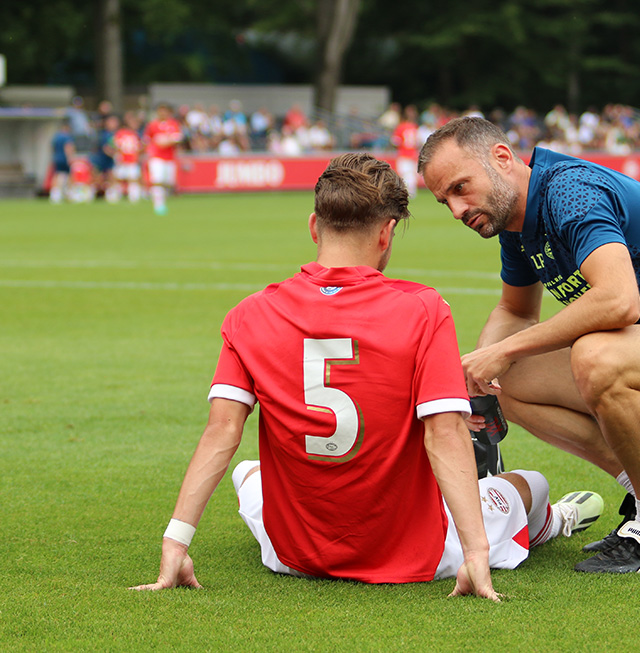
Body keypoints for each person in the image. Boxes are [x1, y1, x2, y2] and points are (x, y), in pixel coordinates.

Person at [130, 153, 603, 598]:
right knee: (530, 485)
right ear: (386, 233)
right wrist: (476, 553)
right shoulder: (422, 309)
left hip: (292, 554)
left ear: (315, 225)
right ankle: (553, 521)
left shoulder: (249, 314)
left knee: (247, 472)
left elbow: (221, 432)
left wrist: (176, 542)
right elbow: (443, 435)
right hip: (415, 553)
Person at [418, 117, 640, 574]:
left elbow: (619, 299)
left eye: (460, 187)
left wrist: (505, 351)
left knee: (594, 354)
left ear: (502, 159)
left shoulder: (569, 190)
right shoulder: (516, 224)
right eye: (444, 199)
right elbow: (515, 312)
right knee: (507, 380)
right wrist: (477, 380)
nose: (455, 209)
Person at [143, 103, 183, 215]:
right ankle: (159, 205)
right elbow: (147, 140)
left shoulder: (173, 124)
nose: (162, 113)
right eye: (161, 111)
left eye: (165, 111)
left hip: (169, 157)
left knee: (168, 182)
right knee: (157, 180)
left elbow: (178, 138)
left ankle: (162, 200)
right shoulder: (152, 125)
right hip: (156, 157)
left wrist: (167, 141)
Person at [113, 112, 144, 203]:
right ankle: (115, 195)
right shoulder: (120, 133)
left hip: (132, 160)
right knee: (118, 178)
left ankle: (134, 196)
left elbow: (139, 147)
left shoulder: (136, 134)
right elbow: (116, 146)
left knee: (133, 178)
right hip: (123, 159)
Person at [391, 105, 420, 198]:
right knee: (411, 174)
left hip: (403, 153)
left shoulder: (401, 127)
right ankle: (412, 192)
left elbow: (395, 141)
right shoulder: (415, 127)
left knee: (403, 174)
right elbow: (418, 142)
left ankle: (405, 192)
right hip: (413, 153)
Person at [50, 119, 75, 204]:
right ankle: (69, 193)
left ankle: (55, 194)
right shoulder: (67, 137)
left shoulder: (56, 137)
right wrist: (70, 158)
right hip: (64, 158)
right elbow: (68, 147)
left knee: (57, 174)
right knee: (69, 175)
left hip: (57, 157)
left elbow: (52, 147)